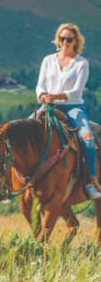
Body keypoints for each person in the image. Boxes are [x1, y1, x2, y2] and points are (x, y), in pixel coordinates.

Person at [36, 23, 101, 201]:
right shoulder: (48, 60)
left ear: (75, 41)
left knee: (87, 138)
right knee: (18, 132)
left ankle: (90, 181)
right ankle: (8, 180)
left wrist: (54, 96)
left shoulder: (81, 63)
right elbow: (40, 84)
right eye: (62, 38)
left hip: (72, 108)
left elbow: (77, 92)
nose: (65, 42)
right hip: (48, 106)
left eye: (69, 39)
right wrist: (42, 95)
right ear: (58, 39)